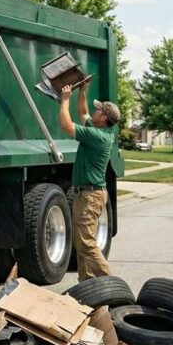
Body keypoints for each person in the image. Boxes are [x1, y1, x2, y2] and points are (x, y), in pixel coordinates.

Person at [58, 82, 120, 281]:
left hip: (90, 195)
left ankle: (110, 282)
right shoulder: (100, 130)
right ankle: (87, 284)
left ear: (103, 117)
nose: (93, 111)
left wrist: (65, 100)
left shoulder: (98, 136)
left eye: (98, 110)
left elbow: (66, 125)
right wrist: (82, 91)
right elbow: (82, 112)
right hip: (87, 194)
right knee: (82, 241)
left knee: (85, 242)